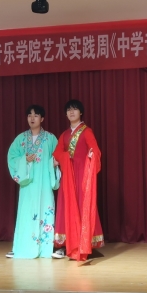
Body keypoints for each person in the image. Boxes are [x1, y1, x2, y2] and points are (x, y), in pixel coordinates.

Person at [52, 99, 104, 262]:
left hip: (82, 177)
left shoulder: (87, 132)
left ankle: (85, 244)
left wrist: (92, 156)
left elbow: (95, 150)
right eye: (69, 110)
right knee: (67, 207)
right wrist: (63, 158)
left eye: (74, 109)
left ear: (81, 112)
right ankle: (67, 244)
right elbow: (57, 154)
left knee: (83, 206)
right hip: (68, 178)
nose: (71, 112)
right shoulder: (64, 135)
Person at [7, 105, 60, 259]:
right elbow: (12, 157)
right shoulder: (21, 139)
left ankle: (47, 248)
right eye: (29, 115)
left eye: (36, 115)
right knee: (26, 213)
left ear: (42, 119)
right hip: (28, 185)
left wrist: (54, 163)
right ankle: (20, 247)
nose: (32, 118)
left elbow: (57, 156)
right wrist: (24, 160)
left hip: (44, 183)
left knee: (45, 212)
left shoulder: (50, 138)